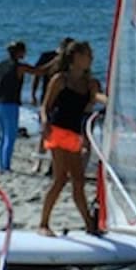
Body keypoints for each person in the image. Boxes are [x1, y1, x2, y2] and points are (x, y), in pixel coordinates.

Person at [36, 40, 104, 236]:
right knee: (60, 179)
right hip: (56, 131)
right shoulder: (60, 79)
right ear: (75, 57)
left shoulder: (90, 83)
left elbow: (98, 97)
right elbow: (46, 106)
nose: (91, 58)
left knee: (78, 181)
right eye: (87, 55)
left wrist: (114, 102)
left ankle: (90, 224)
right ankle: (43, 223)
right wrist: (44, 122)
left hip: (75, 133)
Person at [30, 37, 74, 175]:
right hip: (48, 98)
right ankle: (38, 163)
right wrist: (33, 93)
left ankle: (52, 165)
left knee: (58, 133)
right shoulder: (47, 56)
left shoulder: (70, 61)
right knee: (44, 132)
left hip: (63, 101)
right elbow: (37, 74)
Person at [0, 40, 33, 172]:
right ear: (20, 52)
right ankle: (6, 166)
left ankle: (2, 164)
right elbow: (39, 71)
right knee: (10, 136)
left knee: (3, 136)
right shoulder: (19, 67)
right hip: (10, 104)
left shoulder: (0, 65)